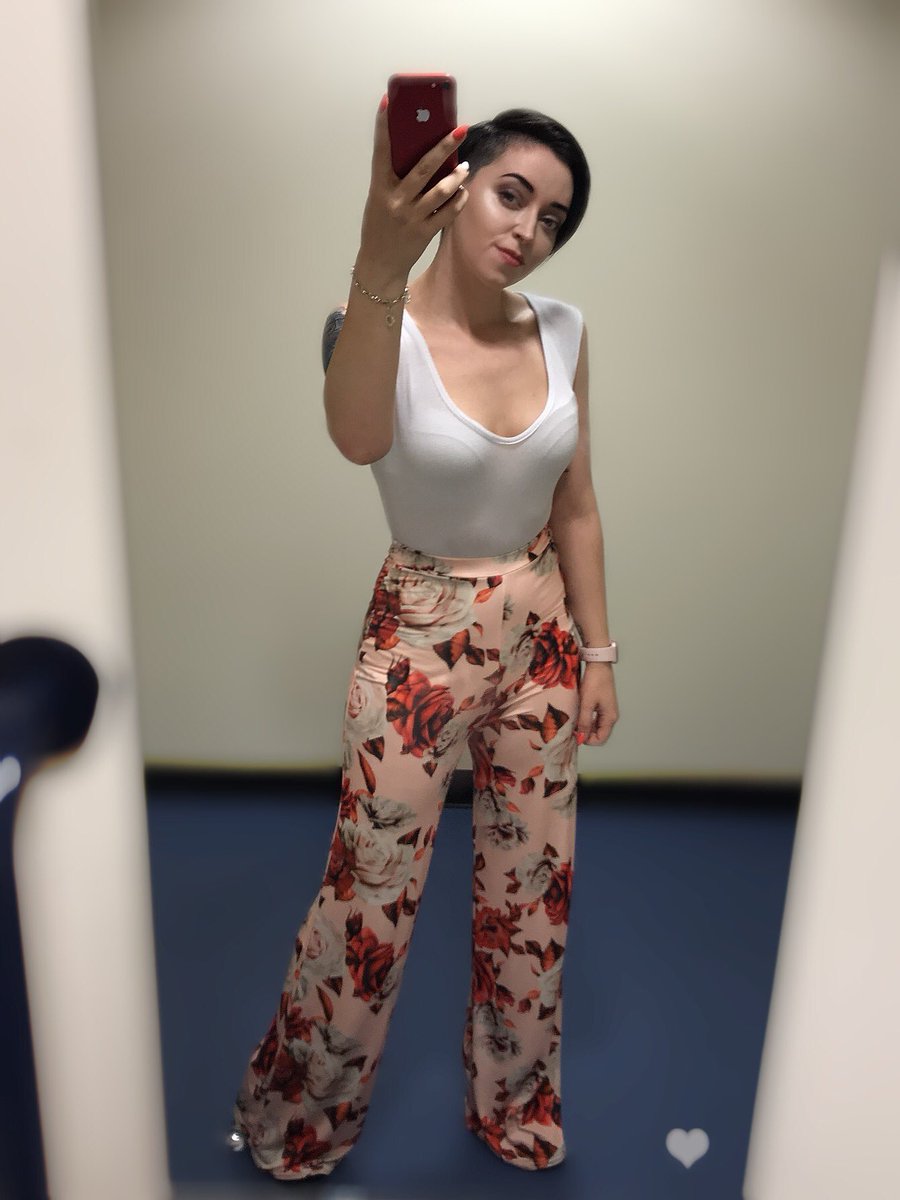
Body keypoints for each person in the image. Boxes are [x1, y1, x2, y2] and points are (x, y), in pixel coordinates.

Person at [231, 94, 619, 1181]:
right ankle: (299, 1119)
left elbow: (578, 504)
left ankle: (516, 1107)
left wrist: (599, 654)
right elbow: (357, 437)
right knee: (370, 896)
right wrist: (377, 254)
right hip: (420, 635)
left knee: (534, 890)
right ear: (453, 188)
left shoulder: (565, 330)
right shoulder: (370, 323)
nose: (528, 229)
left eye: (552, 217)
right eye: (511, 194)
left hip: (542, 632)